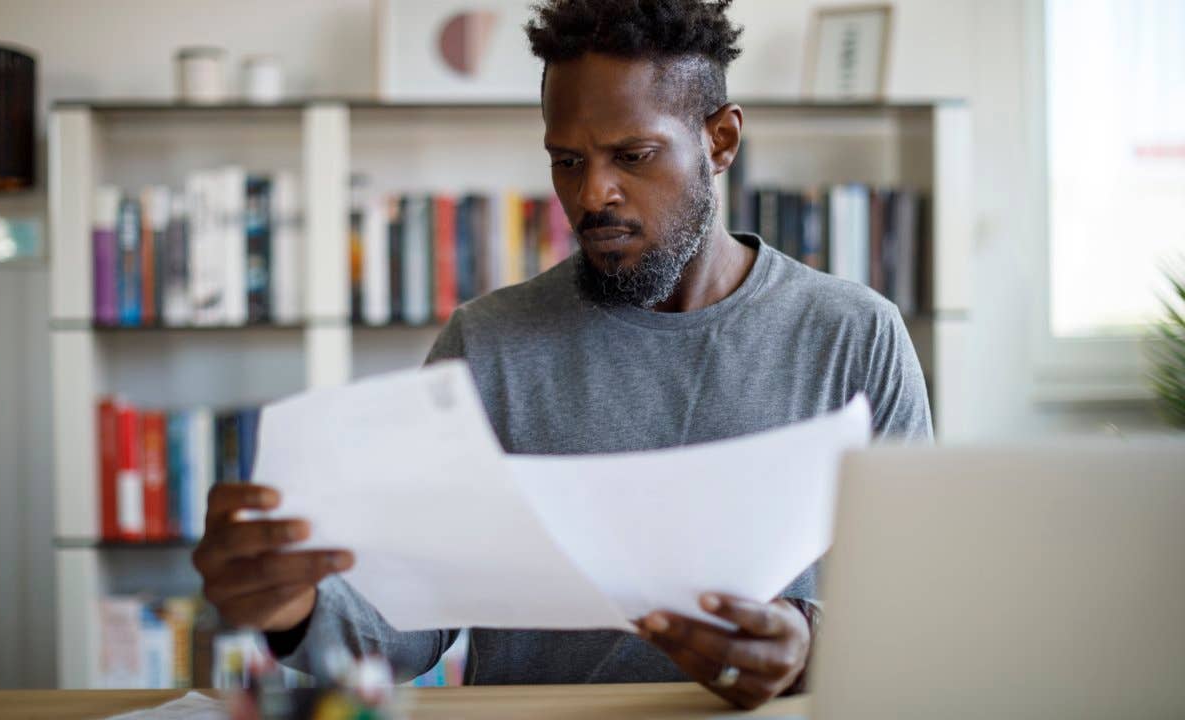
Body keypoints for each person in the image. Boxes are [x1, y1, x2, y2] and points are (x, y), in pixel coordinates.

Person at [192, 0, 930, 709]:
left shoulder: (853, 335)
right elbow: (401, 626)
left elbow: (915, 609)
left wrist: (807, 643)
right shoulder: (489, 343)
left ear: (721, 141)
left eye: (632, 155)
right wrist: (294, 606)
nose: (591, 194)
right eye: (567, 160)